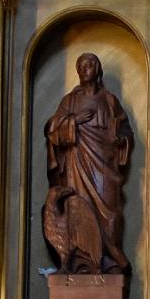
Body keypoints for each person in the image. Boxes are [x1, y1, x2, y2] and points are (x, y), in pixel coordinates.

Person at [42, 52, 134, 275]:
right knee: (77, 207)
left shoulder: (110, 100)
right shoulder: (69, 101)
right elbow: (52, 129)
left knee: (109, 213)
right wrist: (73, 121)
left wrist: (121, 140)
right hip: (76, 163)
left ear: (98, 69)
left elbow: (125, 132)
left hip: (104, 166)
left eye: (90, 64)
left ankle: (109, 259)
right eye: (81, 65)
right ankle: (80, 262)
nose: (85, 68)